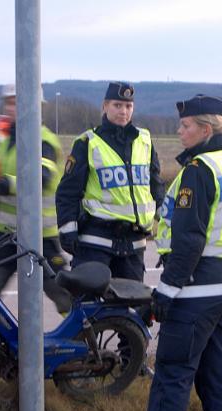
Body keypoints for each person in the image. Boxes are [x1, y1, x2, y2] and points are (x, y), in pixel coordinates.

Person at [120, 95, 222, 411]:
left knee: (173, 373)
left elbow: (189, 240)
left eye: (185, 126)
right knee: (217, 371)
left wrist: (166, 290)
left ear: (205, 130)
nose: (179, 131)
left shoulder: (198, 170)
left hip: (196, 289)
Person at [0, 83, 71, 348]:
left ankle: (83, 344)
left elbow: (40, 178)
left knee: (61, 293)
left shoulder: (44, 141)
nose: (12, 108)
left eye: (18, 102)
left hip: (39, 237)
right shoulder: (7, 140)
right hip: (4, 236)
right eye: (8, 102)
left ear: (36, 105)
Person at [55, 81, 165, 282]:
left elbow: (156, 188)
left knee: (131, 309)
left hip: (134, 243)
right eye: (117, 105)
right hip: (96, 242)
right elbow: (67, 193)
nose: (123, 111)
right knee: (90, 307)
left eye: (128, 106)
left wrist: (169, 225)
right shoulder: (87, 143)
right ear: (104, 106)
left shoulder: (145, 140)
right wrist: (67, 230)